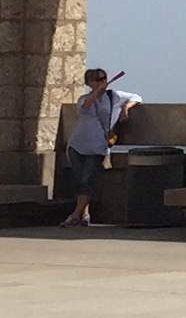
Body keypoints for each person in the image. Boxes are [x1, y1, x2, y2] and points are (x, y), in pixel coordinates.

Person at [58, 67, 136, 228]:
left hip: (98, 145)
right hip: (77, 144)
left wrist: (125, 108)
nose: (102, 82)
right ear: (89, 82)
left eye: (104, 78)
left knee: (88, 180)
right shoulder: (84, 98)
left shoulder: (113, 96)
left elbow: (137, 97)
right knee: (79, 181)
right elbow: (84, 107)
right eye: (98, 79)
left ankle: (74, 215)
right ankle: (85, 214)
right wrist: (96, 93)